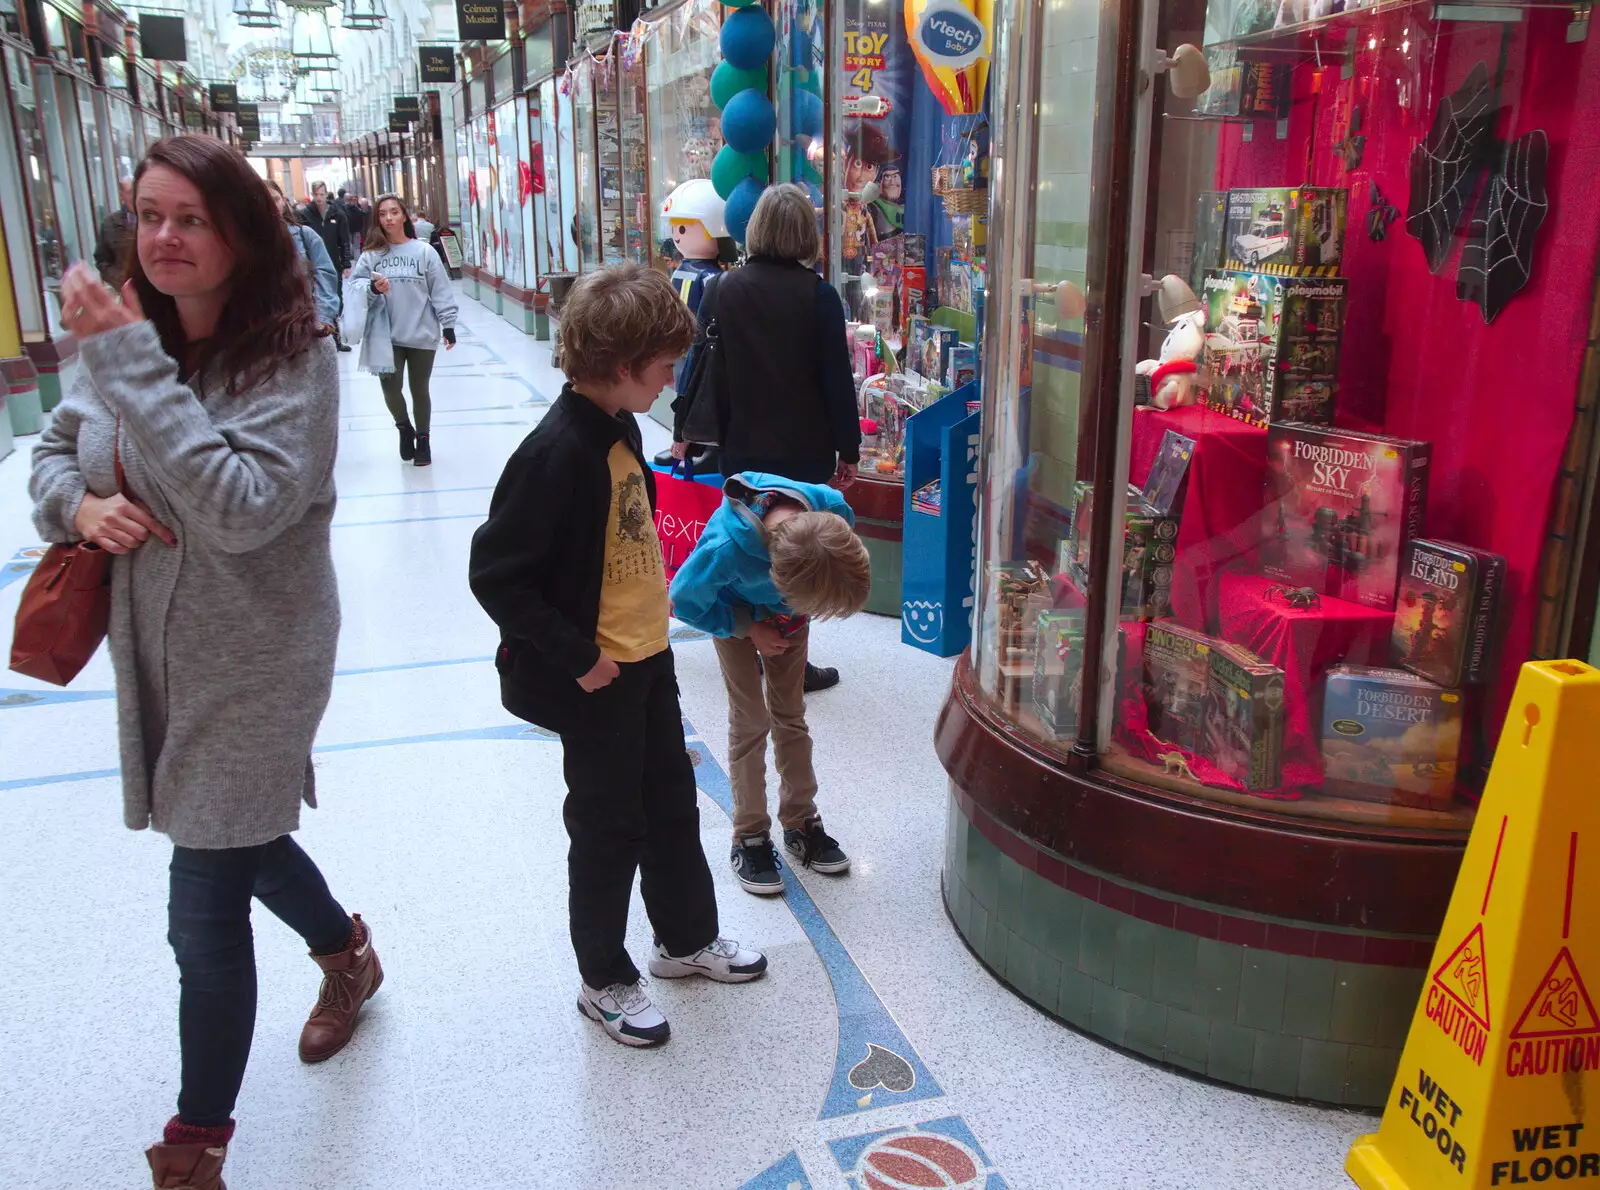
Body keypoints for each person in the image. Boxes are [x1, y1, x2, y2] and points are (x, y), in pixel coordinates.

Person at [33, 135, 378, 1190]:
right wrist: (81, 504)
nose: (165, 236)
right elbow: (56, 451)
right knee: (239, 831)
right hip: (155, 645)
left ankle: (195, 1147)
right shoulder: (121, 343)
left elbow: (239, 510)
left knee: (203, 895)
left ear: (240, 230)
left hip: (259, 652)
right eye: (148, 215)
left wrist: (135, 364)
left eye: (190, 216)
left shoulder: (294, 358)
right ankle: (347, 951)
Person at [468, 262, 767, 1049]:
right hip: (596, 677)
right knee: (607, 829)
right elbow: (496, 574)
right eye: (665, 367)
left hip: (646, 660)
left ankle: (683, 940)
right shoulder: (555, 453)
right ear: (624, 366)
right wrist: (577, 658)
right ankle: (602, 978)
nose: (674, 379)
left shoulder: (623, 428)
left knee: (671, 806)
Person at [679, 182, 861, 694]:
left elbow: (699, 366)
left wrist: (683, 430)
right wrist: (849, 448)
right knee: (798, 548)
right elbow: (835, 379)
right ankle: (792, 662)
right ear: (806, 234)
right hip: (804, 449)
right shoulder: (819, 296)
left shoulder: (723, 289)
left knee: (750, 541)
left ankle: (747, 640)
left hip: (741, 445)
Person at [669, 475, 871, 895]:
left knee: (791, 716)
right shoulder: (726, 549)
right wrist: (747, 627)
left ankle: (800, 821)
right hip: (733, 617)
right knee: (750, 721)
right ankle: (749, 833)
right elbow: (683, 600)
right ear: (776, 573)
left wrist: (803, 608)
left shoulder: (829, 508)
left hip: (789, 616)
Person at [347, 193, 458, 467]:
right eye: (383, 214)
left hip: (421, 331)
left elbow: (440, 289)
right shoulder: (371, 256)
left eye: (394, 212)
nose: (389, 218)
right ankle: (403, 428)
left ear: (404, 216)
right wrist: (373, 288)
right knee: (391, 389)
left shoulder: (423, 251)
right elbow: (355, 289)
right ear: (377, 219)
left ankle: (423, 440)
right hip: (386, 335)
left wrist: (449, 324)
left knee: (419, 388)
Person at [266, 178, 339, 332]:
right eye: (264, 200)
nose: (271, 205)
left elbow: (325, 275)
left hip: (305, 326)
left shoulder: (305, 236)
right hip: (265, 331)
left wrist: (322, 319)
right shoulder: (246, 242)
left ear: (284, 202)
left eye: (275, 199)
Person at [299, 181, 353, 350]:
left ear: (326, 194)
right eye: (316, 195)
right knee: (314, 299)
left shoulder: (338, 214)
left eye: (322, 194)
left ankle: (335, 338)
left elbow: (345, 240)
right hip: (312, 265)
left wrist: (346, 263)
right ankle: (319, 338)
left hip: (333, 263)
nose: (319, 198)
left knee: (335, 298)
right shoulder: (305, 215)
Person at [93, 174, 137, 288]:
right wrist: (118, 279)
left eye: (137, 191)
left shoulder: (153, 219)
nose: (135, 197)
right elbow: (101, 260)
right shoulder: (110, 223)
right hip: (126, 291)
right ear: (121, 196)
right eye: (130, 192)